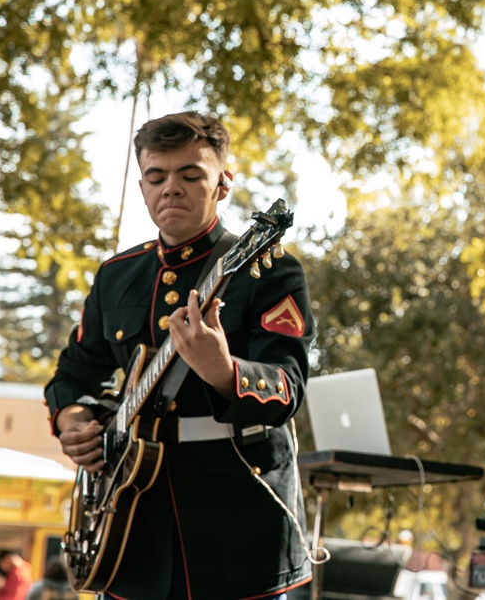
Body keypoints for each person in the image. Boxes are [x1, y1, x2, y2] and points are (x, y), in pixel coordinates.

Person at [44, 111, 316, 600]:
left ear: (223, 184)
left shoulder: (270, 271)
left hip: (238, 529)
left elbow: (287, 387)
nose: (172, 188)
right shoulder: (116, 275)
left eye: (191, 175)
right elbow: (74, 372)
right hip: (129, 530)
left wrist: (224, 372)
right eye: (157, 177)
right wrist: (72, 418)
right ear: (144, 187)